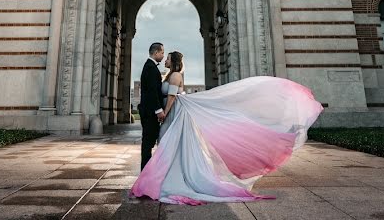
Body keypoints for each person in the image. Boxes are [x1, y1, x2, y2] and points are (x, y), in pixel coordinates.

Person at [131, 50, 323, 205]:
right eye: (163, 55)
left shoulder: (174, 76)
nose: (164, 59)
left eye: (168, 57)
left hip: (173, 114)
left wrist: (163, 113)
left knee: (169, 144)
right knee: (169, 144)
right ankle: (164, 175)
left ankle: (169, 177)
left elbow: (172, 97)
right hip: (173, 114)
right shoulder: (170, 75)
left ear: (173, 61)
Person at [138, 42, 165, 171]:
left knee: (148, 142)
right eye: (162, 53)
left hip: (148, 112)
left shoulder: (150, 66)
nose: (163, 56)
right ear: (155, 53)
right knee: (148, 143)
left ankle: (146, 170)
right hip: (149, 113)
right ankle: (145, 172)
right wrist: (159, 110)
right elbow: (152, 91)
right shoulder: (150, 68)